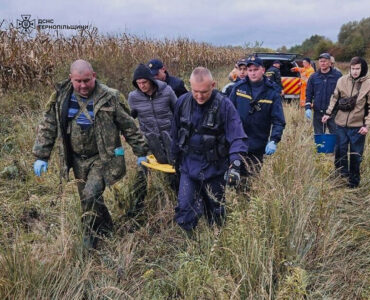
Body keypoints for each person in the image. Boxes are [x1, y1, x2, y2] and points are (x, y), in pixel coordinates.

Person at [32, 59, 149, 249]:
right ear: (71, 79)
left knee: (89, 196)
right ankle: (108, 229)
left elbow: (128, 126)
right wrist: (41, 155)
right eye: (78, 81)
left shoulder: (109, 97)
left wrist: (141, 151)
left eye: (87, 80)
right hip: (77, 159)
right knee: (90, 198)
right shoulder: (61, 97)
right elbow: (49, 126)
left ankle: (88, 242)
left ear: (93, 76)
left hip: (103, 158)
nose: (83, 85)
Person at [170, 67, 248, 233]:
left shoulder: (224, 105)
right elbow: (175, 133)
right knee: (184, 207)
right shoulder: (182, 102)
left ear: (213, 85)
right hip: (188, 167)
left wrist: (235, 164)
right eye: (195, 91)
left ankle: (217, 238)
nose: (199, 96)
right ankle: (191, 244)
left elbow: (237, 137)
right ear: (190, 86)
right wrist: (173, 159)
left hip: (214, 168)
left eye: (204, 92)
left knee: (216, 209)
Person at [127, 63, 178, 218]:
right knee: (141, 174)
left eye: (145, 82)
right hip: (148, 141)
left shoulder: (167, 91)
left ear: (151, 81)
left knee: (173, 172)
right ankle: (136, 209)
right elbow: (130, 118)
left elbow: (177, 112)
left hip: (169, 139)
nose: (142, 86)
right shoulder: (133, 97)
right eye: (139, 83)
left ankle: (178, 201)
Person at [322, 57, 370, 188]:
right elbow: (334, 98)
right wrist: (328, 113)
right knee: (340, 152)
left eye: (358, 69)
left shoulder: (369, 84)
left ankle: (353, 182)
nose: (355, 71)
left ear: (362, 69)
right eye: (353, 68)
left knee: (355, 155)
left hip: (358, 127)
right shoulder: (341, 81)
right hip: (340, 125)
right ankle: (341, 177)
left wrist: (367, 125)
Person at [229, 56, 286, 177]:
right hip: (237, 141)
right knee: (234, 178)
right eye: (250, 70)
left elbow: (278, 120)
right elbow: (227, 113)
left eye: (255, 69)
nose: (252, 73)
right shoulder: (239, 88)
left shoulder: (271, 92)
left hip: (258, 143)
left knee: (252, 178)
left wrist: (274, 140)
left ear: (263, 70)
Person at [305, 53, 342, 134]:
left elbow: (342, 93)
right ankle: (321, 147)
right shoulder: (313, 77)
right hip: (318, 112)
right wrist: (308, 107)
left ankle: (334, 147)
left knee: (336, 137)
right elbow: (309, 93)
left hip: (333, 113)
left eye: (325, 61)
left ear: (329, 62)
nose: (323, 63)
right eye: (321, 61)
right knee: (319, 137)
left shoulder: (337, 76)